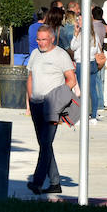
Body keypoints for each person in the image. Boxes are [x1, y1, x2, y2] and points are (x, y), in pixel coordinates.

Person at [26, 25, 77, 195]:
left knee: (46, 143)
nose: (40, 43)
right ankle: (55, 182)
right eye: (38, 39)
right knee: (44, 143)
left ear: (52, 39)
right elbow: (30, 78)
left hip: (52, 105)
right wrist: (29, 101)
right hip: (36, 103)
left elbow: (71, 80)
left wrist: (59, 98)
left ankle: (37, 181)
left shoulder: (61, 55)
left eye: (44, 39)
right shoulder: (34, 54)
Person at [70, 14, 103, 123]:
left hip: (81, 63)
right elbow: (98, 50)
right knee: (93, 90)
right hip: (92, 62)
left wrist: (75, 34)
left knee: (81, 91)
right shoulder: (94, 35)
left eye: (79, 19)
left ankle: (80, 116)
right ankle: (93, 116)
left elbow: (72, 47)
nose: (78, 21)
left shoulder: (81, 35)